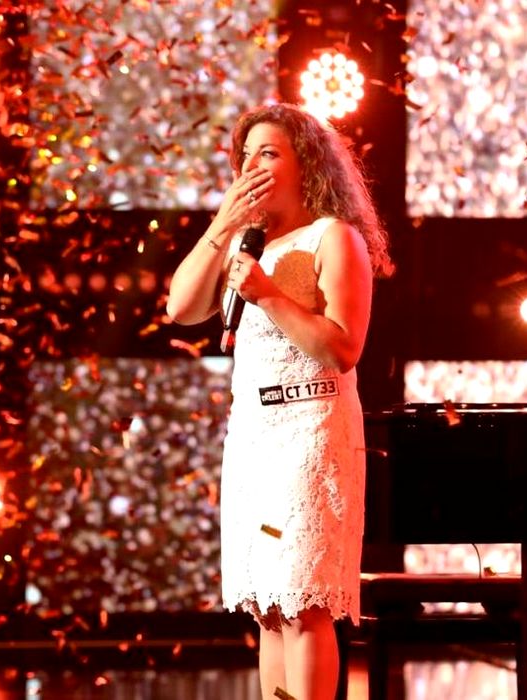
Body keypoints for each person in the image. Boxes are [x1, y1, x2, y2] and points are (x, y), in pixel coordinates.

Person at [166, 103, 393, 700]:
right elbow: (181, 308)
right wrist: (223, 222)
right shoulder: (245, 243)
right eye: (246, 155)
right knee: (268, 605)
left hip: (311, 430)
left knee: (302, 601)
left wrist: (267, 294)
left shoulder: (334, 237)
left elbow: (342, 348)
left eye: (268, 153)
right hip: (254, 436)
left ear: (306, 164)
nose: (252, 166)